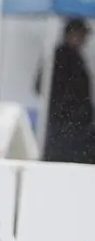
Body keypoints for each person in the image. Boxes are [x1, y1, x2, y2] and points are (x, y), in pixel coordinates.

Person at [40, 18, 95, 164]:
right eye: (82, 35)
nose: (84, 40)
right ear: (72, 34)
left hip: (65, 125)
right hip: (70, 126)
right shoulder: (65, 58)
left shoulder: (57, 57)